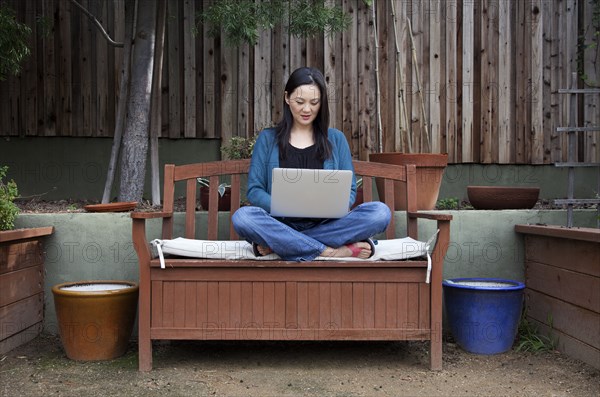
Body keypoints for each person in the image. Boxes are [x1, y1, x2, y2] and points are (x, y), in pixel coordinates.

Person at [232, 67, 391, 261]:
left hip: (327, 224)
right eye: (300, 102)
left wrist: (331, 207)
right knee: (243, 218)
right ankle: (330, 251)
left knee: (380, 213)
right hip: (280, 224)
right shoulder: (267, 139)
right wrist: (284, 206)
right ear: (287, 98)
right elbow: (255, 190)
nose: (307, 109)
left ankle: (283, 246)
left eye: (314, 102)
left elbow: (349, 191)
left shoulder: (336, 139)